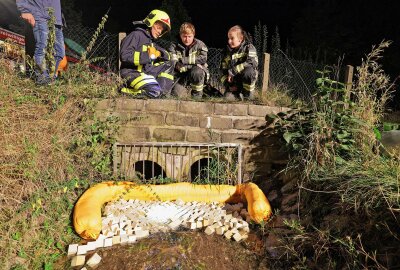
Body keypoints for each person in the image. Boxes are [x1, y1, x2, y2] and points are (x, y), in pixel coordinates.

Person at [119, 9, 174, 98]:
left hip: (145, 72)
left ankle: (162, 94)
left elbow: (167, 56)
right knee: (154, 90)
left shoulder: (151, 42)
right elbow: (125, 56)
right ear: (151, 23)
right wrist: (147, 55)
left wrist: (159, 53)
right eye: (158, 27)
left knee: (169, 64)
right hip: (131, 73)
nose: (160, 31)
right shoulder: (135, 35)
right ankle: (123, 91)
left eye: (162, 30)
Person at [16, 0, 65, 85]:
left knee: (60, 52)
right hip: (40, 15)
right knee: (42, 48)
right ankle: (42, 79)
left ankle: (49, 78)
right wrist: (24, 10)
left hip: (56, 20)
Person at [169, 22, 209, 99]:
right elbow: (173, 62)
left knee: (197, 71)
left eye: (189, 36)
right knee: (176, 95)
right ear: (180, 35)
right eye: (184, 36)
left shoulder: (200, 45)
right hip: (180, 76)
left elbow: (203, 58)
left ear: (193, 35)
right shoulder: (174, 45)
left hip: (196, 73)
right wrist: (177, 64)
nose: (187, 39)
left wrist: (184, 61)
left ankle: (197, 97)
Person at [220, 25, 258, 101]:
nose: (229, 41)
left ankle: (247, 96)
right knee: (228, 99)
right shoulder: (226, 52)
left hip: (246, 81)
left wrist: (233, 71)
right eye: (228, 38)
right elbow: (222, 72)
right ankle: (237, 95)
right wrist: (229, 85)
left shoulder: (249, 48)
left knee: (249, 71)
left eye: (232, 38)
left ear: (240, 39)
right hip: (234, 84)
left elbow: (251, 63)